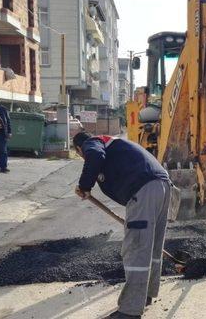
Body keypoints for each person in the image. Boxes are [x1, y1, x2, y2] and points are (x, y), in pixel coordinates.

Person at [72, 132, 170, 319]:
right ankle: (146, 295)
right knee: (152, 247)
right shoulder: (113, 143)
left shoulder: (92, 143)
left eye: (80, 154)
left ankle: (130, 311)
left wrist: (85, 186)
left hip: (144, 188)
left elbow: (95, 156)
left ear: (79, 148)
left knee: (137, 248)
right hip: (163, 186)